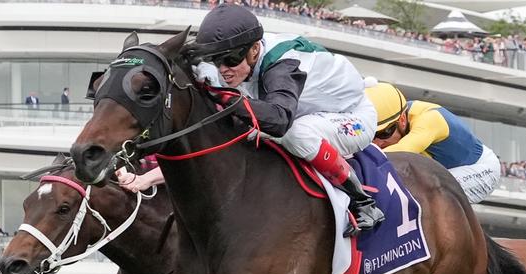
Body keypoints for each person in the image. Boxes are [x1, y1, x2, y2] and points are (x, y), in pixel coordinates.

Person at [118, 4, 384, 236]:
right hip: (300, 111)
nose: (224, 70)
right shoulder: (233, 58)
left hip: (351, 117)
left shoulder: (283, 65)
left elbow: (279, 121)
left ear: (255, 49)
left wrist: (226, 99)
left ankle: (362, 200)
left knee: (296, 133)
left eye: (231, 60)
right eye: (216, 60)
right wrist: (144, 180)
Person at [365, 82, 501, 204]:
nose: (377, 142)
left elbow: (401, 151)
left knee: (427, 194)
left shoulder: (430, 120)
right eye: (372, 136)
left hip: (481, 169)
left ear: (402, 120)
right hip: (445, 168)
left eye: (384, 133)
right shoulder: (397, 112)